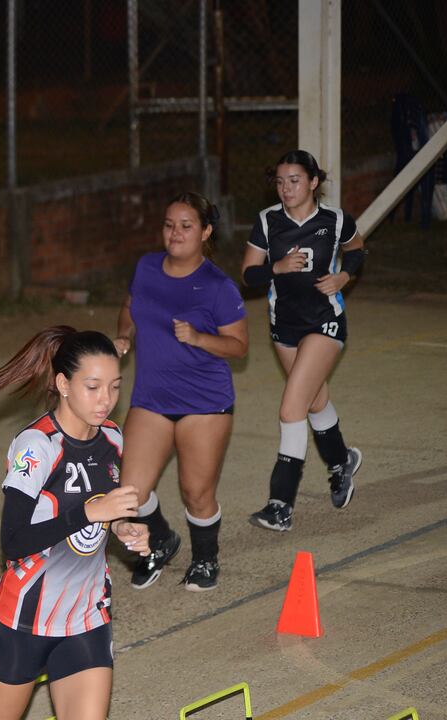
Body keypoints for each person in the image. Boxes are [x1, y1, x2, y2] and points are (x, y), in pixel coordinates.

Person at [0, 326, 150, 720]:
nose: (106, 400)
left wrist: (122, 528)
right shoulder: (36, 446)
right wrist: (89, 513)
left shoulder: (113, 439)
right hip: (21, 622)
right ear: (63, 384)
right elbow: (14, 541)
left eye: (115, 387)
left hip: (85, 617)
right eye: (93, 387)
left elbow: (102, 517)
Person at [113, 193, 248, 591]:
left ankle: (206, 559)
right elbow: (130, 306)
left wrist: (200, 338)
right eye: (169, 224)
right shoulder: (146, 267)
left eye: (186, 226)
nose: (175, 233)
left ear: (205, 231)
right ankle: (161, 541)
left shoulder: (218, 287)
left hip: (204, 403)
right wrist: (124, 335)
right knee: (129, 493)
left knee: (196, 491)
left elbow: (239, 346)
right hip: (152, 398)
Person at [242, 150, 366, 532]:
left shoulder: (335, 219)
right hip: (285, 326)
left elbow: (357, 250)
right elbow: (248, 276)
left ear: (313, 182)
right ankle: (341, 461)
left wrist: (344, 278)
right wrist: (275, 268)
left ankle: (280, 504)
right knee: (314, 399)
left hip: (325, 321)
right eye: (280, 181)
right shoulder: (268, 221)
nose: (286, 188)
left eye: (294, 180)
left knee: (291, 408)